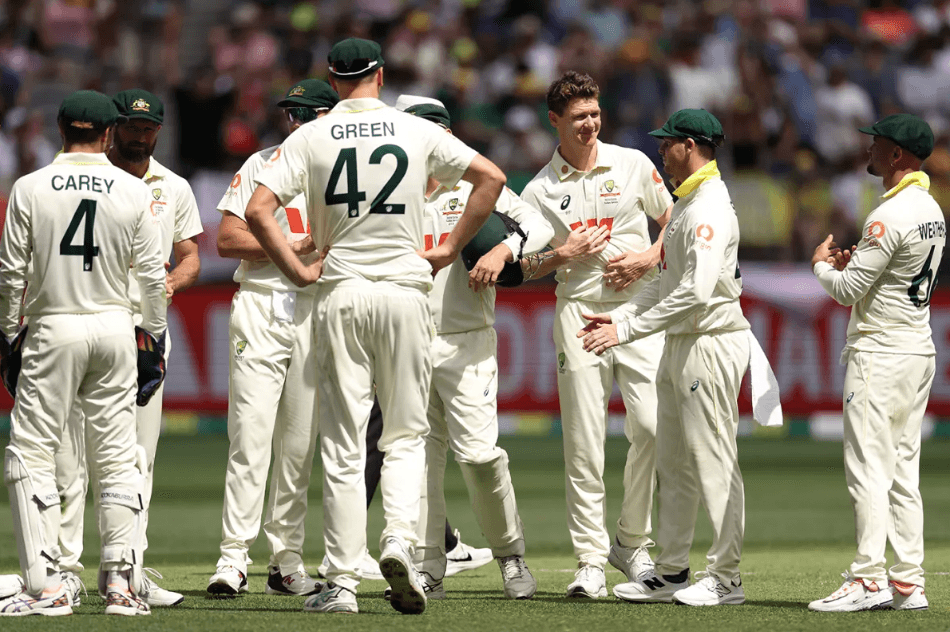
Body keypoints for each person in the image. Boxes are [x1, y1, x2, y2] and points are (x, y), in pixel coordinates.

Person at [245, 38, 504, 615]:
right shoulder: (413, 130)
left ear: (332, 80)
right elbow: (489, 177)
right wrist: (449, 248)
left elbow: (259, 209)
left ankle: (339, 582)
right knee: (407, 435)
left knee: (342, 442)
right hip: (407, 290)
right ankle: (400, 544)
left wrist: (295, 268)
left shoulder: (309, 135)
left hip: (340, 290)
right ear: (381, 75)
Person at [0, 90, 167, 616]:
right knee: (118, 456)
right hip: (115, 328)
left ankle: (45, 585)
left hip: (53, 325)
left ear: (59, 129)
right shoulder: (133, 188)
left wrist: (9, 335)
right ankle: (120, 584)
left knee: (32, 452)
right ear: (110, 133)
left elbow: (11, 274)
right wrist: (153, 338)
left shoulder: (29, 187)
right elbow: (152, 278)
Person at [577, 109, 752, 607]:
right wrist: (619, 321)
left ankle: (727, 578)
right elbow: (664, 283)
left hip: (709, 339)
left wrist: (628, 328)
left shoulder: (708, 208)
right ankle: (673, 570)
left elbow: (696, 292)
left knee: (714, 460)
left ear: (692, 145)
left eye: (669, 142)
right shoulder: (688, 202)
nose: (662, 149)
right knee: (674, 462)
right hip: (680, 343)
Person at [519, 71, 672, 599]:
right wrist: (563, 254)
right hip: (581, 313)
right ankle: (589, 558)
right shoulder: (539, 189)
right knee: (584, 440)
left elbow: (674, 218)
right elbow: (527, 264)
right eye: (578, 116)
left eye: (594, 114)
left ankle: (630, 542)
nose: (589, 123)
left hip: (637, 312)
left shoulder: (631, 163)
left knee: (651, 426)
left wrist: (650, 255)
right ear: (555, 120)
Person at [396, 94, 552, 599]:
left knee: (481, 456)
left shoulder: (475, 187)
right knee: (419, 461)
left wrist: (506, 248)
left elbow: (541, 224)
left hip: (467, 342)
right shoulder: (390, 192)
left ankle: (510, 556)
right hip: (406, 342)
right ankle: (428, 567)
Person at [52, 88, 203, 608]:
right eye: (130, 127)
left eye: (148, 127)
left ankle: (128, 570)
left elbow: (189, 256)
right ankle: (64, 570)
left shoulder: (173, 186)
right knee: (70, 458)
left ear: (159, 130)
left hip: (142, 332)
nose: (139, 135)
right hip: (94, 322)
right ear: (111, 129)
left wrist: (170, 286)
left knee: (139, 457)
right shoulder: (88, 181)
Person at [207, 79, 338, 598]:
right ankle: (232, 558)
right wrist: (289, 245)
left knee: (300, 445)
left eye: (309, 115)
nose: (298, 125)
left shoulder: (345, 169)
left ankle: (285, 560)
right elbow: (226, 239)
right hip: (263, 304)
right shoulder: (263, 163)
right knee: (250, 435)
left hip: (317, 310)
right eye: (293, 116)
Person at [808, 114, 941, 613]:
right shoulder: (930, 208)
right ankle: (908, 582)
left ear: (898, 157)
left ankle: (867, 579)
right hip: (917, 351)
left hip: (880, 354)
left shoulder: (887, 215)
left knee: (868, 469)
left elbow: (846, 291)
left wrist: (821, 263)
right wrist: (857, 263)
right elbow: (886, 274)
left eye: (877, 144)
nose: (868, 150)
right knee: (903, 471)